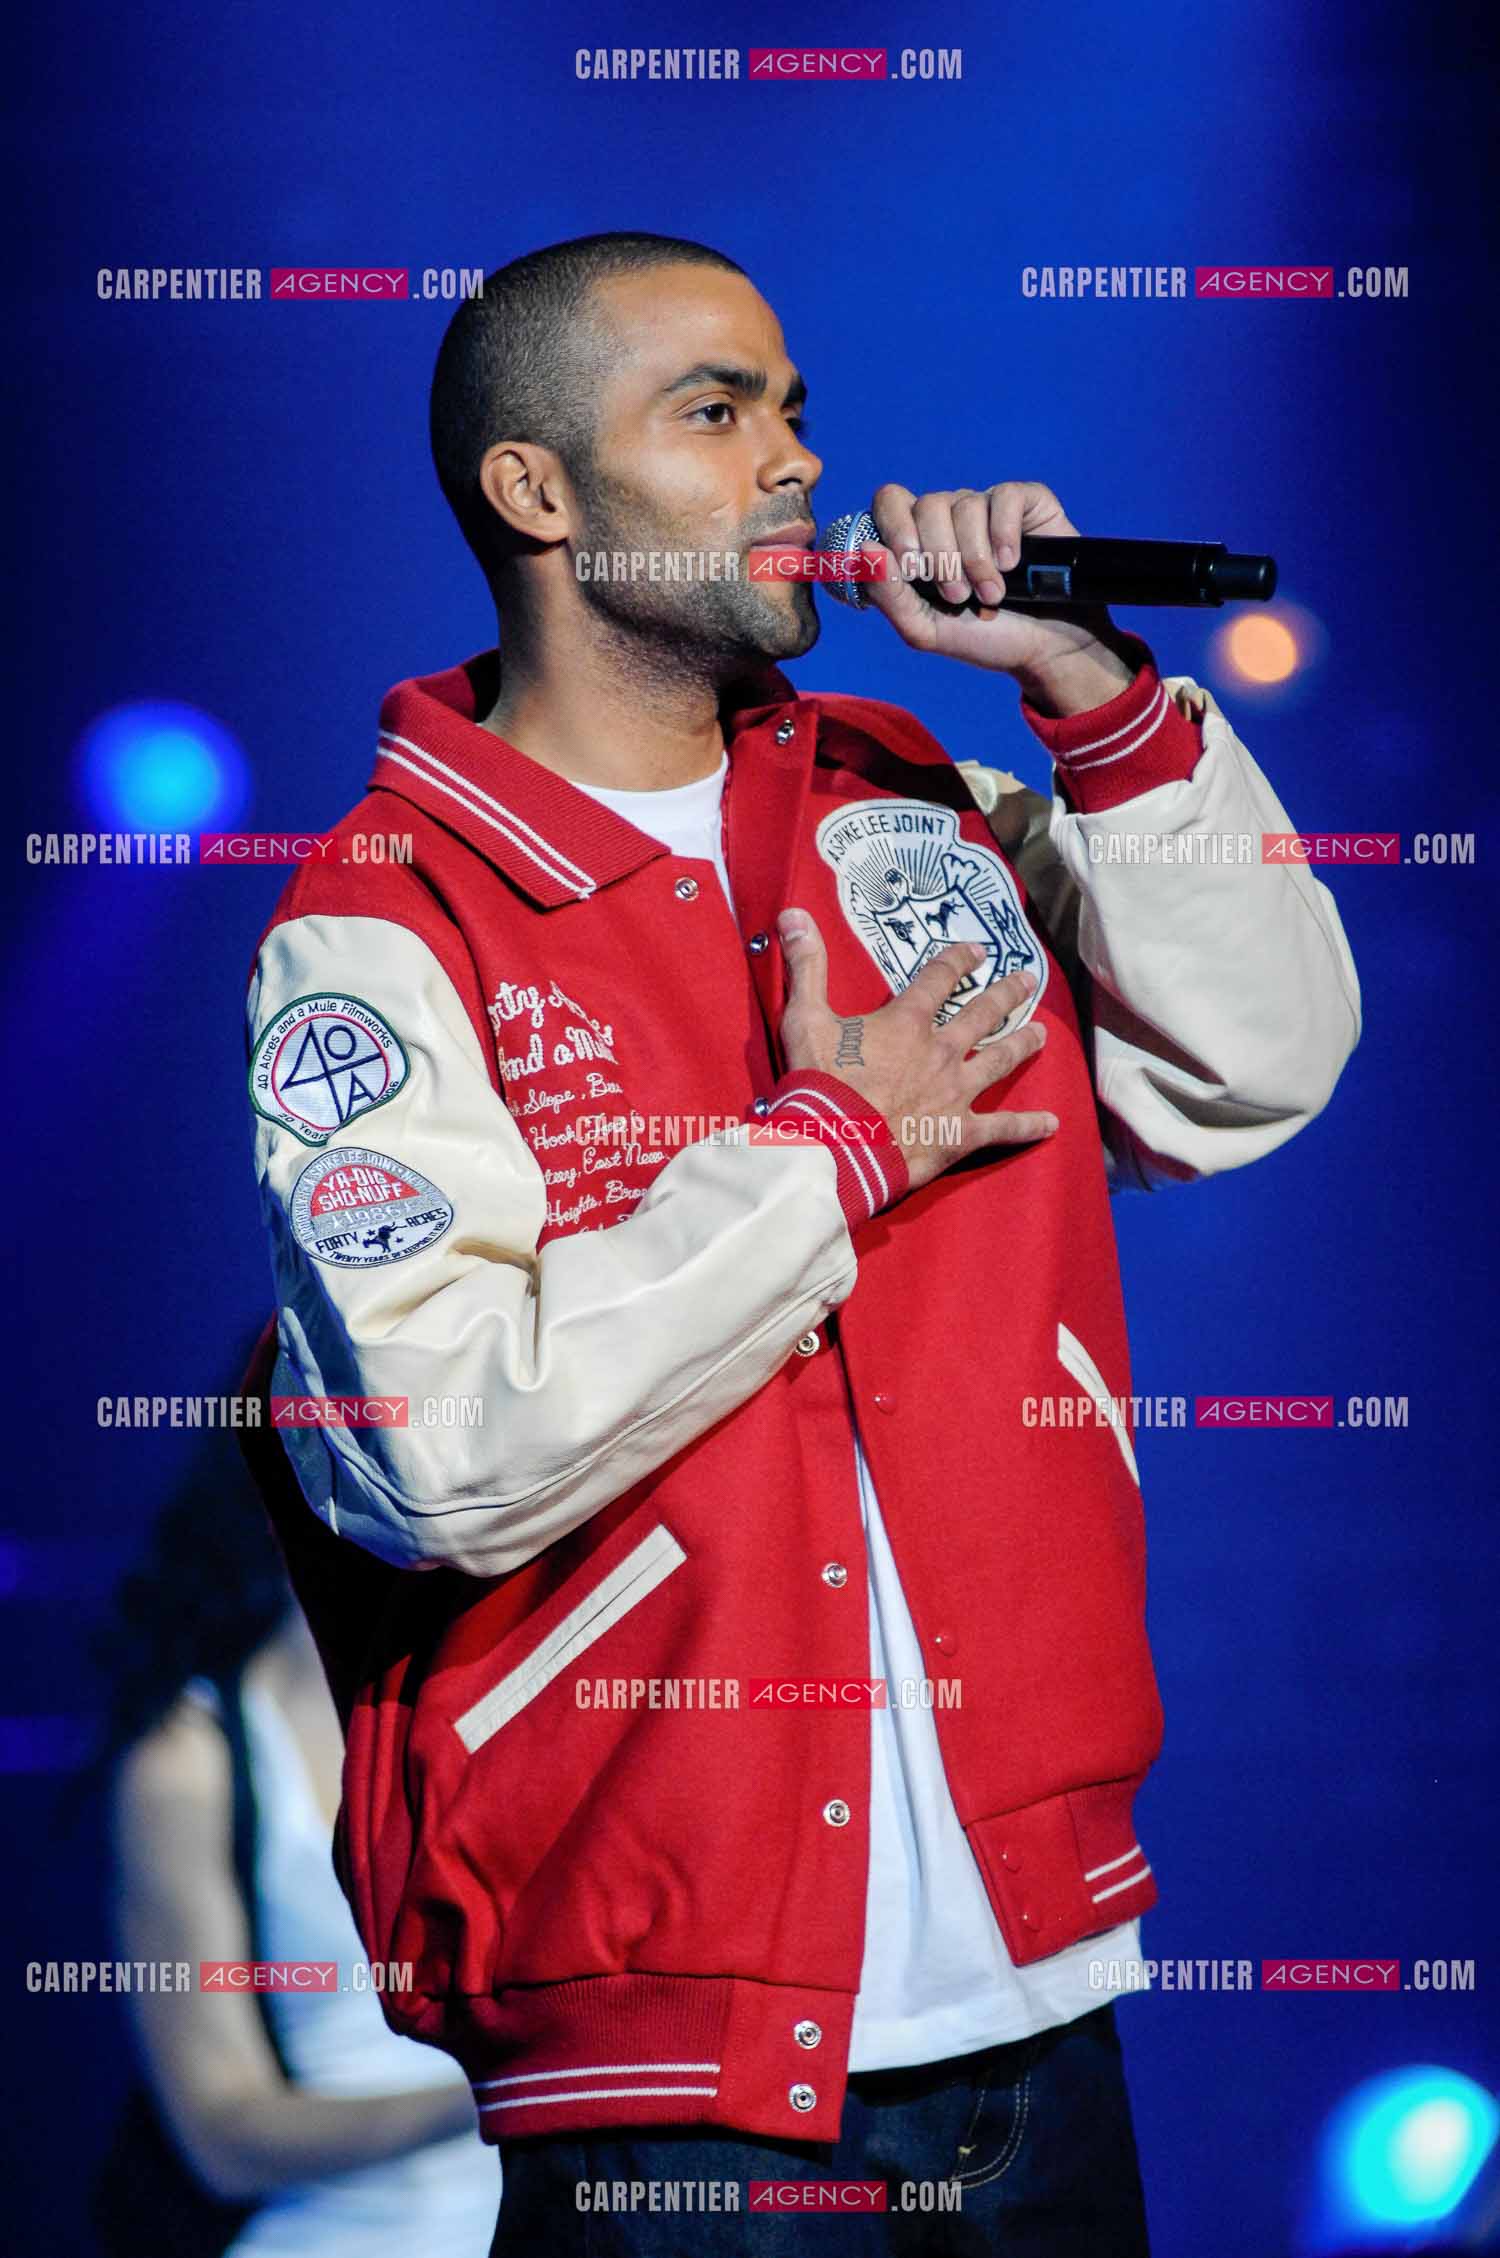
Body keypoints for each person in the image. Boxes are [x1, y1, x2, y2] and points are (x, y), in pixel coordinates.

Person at [237, 232, 1361, 2255]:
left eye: (795, 407)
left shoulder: (909, 800)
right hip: (667, 2079)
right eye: (716, 409)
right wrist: (827, 1151)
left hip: (1043, 2012)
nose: (793, 461)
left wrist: (1096, 693)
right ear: (538, 492)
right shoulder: (385, 921)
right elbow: (434, 1448)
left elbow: (1259, 1070)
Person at [96, 1454, 500, 2256]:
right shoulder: (193, 1763)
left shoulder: (510, 1712)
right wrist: (508, 2092)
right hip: (326, 2235)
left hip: (532, 2224)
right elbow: (224, 2138)